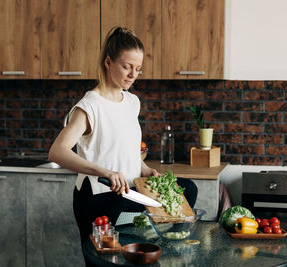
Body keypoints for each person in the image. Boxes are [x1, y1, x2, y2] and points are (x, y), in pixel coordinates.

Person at [48, 26, 198, 261]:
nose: (133, 74)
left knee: (188, 189)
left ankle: (173, 254)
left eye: (138, 69)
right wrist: (105, 172)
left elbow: (127, 147)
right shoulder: (90, 106)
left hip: (129, 193)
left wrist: (145, 169)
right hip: (99, 196)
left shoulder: (131, 102)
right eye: (127, 66)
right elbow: (57, 152)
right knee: (105, 262)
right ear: (108, 62)